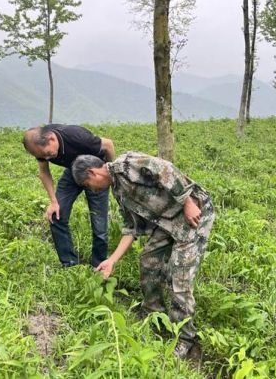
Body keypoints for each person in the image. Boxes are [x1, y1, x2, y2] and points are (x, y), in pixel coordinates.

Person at [71, 152, 214, 358]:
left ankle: (185, 339)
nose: (91, 190)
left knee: (180, 277)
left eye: (87, 184)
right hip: (169, 222)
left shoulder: (126, 164)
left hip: (194, 214)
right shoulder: (118, 191)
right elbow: (131, 228)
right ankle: (154, 315)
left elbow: (166, 168)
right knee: (149, 261)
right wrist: (111, 260)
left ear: (92, 172)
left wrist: (187, 202)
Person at [23, 125, 115, 268]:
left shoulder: (76, 136)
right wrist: (53, 202)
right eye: (42, 156)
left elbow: (108, 144)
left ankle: (99, 266)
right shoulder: (39, 149)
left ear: (52, 139)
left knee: (99, 226)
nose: (47, 158)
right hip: (72, 172)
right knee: (56, 215)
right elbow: (43, 172)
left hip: (96, 174)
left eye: (47, 153)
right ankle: (70, 265)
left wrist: (110, 175)